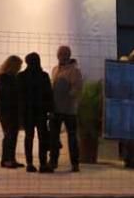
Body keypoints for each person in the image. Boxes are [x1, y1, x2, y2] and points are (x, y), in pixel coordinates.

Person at [18, 51, 53, 173]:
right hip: (41, 111)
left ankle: (30, 163)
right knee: (42, 137)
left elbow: (19, 96)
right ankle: (43, 164)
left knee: (29, 137)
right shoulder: (43, 76)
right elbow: (49, 94)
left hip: (27, 111)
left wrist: (20, 112)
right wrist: (50, 110)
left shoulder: (21, 76)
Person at [49, 45, 83, 173]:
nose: (61, 56)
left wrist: (67, 95)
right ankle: (53, 161)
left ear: (68, 55)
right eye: (59, 54)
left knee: (72, 137)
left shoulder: (74, 71)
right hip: (55, 108)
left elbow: (78, 88)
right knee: (53, 137)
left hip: (69, 109)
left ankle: (75, 163)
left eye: (63, 54)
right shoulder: (54, 70)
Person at [0, 55, 23, 169]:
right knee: (9, 135)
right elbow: (6, 93)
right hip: (6, 111)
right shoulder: (4, 77)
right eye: (19, 65)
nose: (20, 68)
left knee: (12, 135)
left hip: (11, 110)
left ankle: (11, 159)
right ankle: (6, 160)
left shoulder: (11, 77)